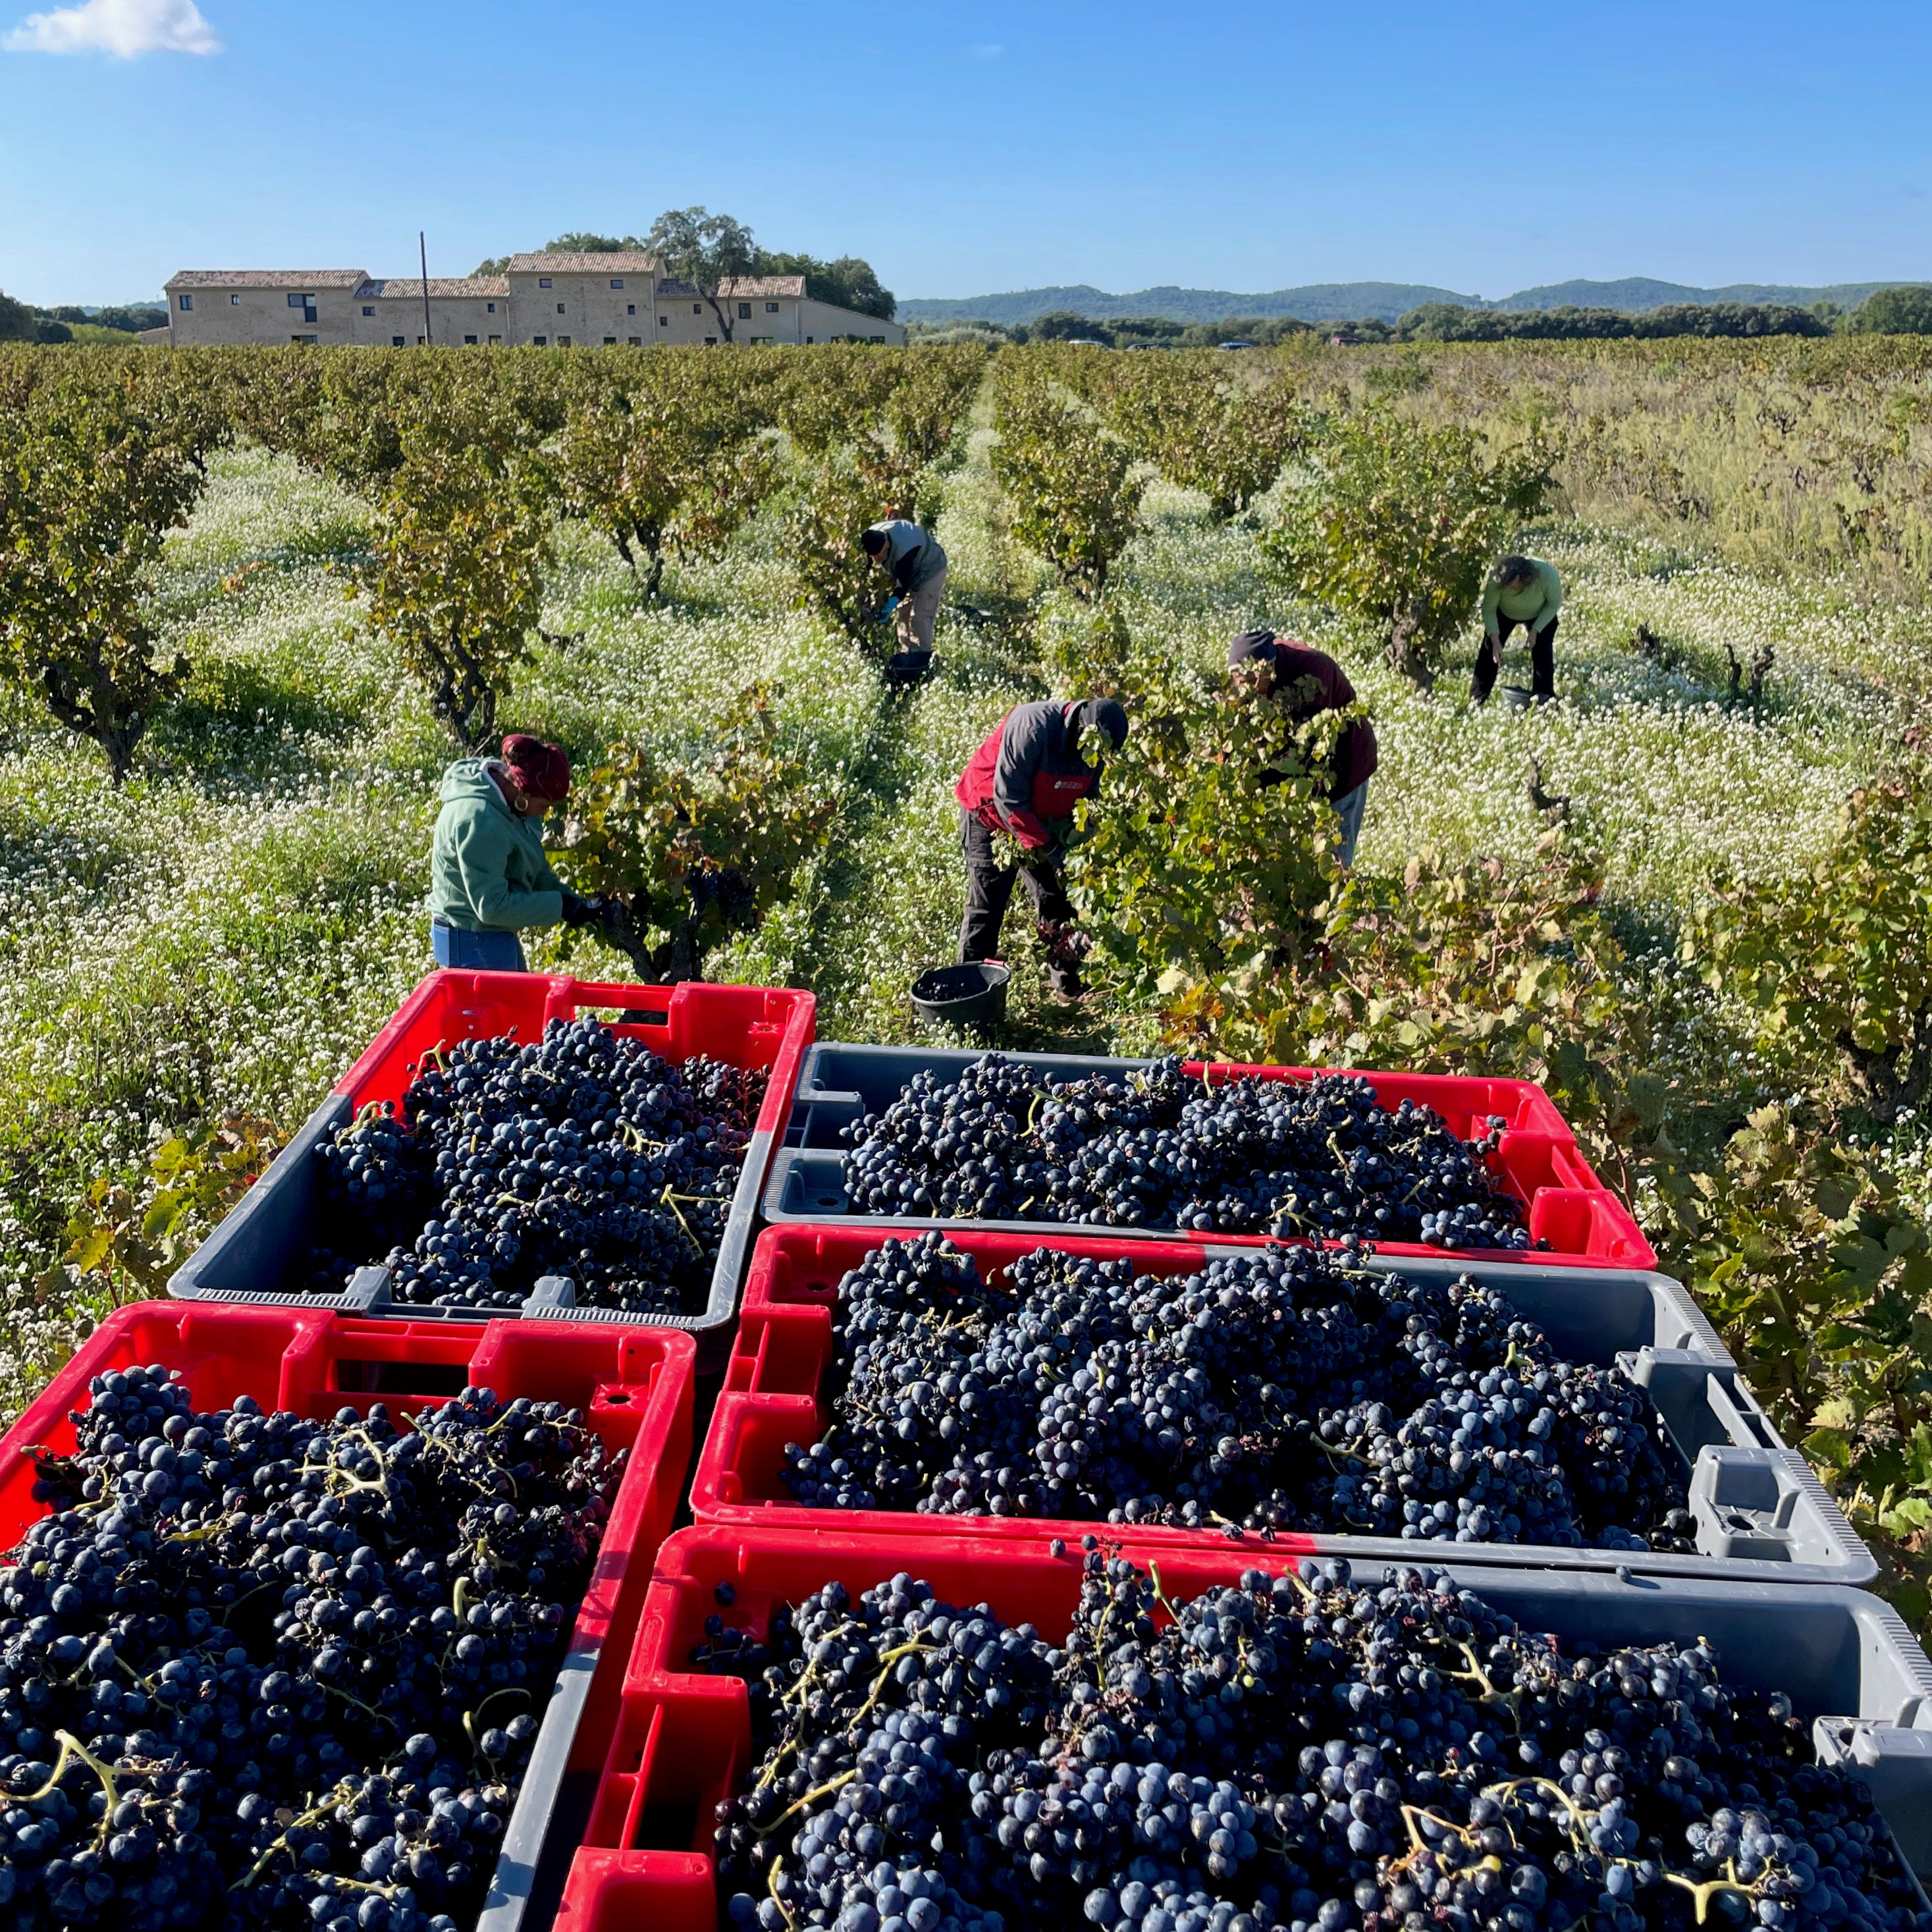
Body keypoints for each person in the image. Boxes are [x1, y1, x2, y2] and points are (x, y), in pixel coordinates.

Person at [953, 696, 1129, 1003]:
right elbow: (1008, 801)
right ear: (1080, 730)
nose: (1096, 758)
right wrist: (1051, 850)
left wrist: (1084, 854)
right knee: (987, 906)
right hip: (991, 815)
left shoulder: (1097, 749)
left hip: (1044, 821)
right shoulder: (1032, 727)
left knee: (1059, 900)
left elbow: (1087, 803)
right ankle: (970, 997)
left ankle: (1067, 985)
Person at [427, 733, 604, 971]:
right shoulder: (479, 821)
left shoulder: (512, 805)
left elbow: (532, 867)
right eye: (544, 805)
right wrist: (560, 906)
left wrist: (573, 902)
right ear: (523, 793)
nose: (545, 812)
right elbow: (491, 906)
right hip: (468, 939)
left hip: (492, 934)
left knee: (522, 1005)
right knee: (507, 1008)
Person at [1227, 630, 1378, 867]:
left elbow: (1305, 752)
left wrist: (1259, 783)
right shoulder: (1249, 684)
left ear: (1267, 668)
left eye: (1247, 681)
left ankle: (1339, 898)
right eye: (1238, 680)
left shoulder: (1314, 672)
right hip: (1301, 769)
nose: (1244, 689)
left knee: (1333, 858)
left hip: (1346, 763)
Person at [1474, 554, 1563, 704]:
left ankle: (1544, 698)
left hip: (1540, 612)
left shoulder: (1548, 574)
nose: (1512, 590)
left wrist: (1536, 630)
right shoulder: (1497, 578)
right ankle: (1477, 698)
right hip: (1504, 613)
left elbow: (1553, 604)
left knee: (1543, 651)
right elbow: (1489, 610)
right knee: (1489, 652)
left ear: (1527, 579)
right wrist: (1496, 641)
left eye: (1515, 586)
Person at [861, 516, 948, 662]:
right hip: (912, 569)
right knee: (903, 613)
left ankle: (922, 659)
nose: (887, 546)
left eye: (883, 550)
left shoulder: (905, 551)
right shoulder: (870, 538)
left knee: (920, 615)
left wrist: (889, 605)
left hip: (931, 568)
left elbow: (904, 584)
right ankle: (907, 651)